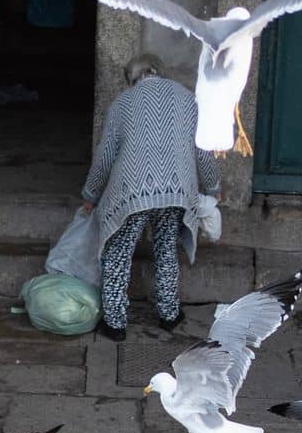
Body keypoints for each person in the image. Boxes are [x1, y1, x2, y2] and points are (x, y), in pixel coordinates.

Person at [81, 54, 221, 342]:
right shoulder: (187, 99)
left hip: (131, 191)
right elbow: (203, 150)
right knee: (166, 248)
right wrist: (213, 185)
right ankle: (170, 315)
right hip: (176, 191)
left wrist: (91, 194)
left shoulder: (122, 103)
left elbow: (105, 155)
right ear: (160, 71)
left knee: (119, 253)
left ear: (132, 78)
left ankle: (115, 323)